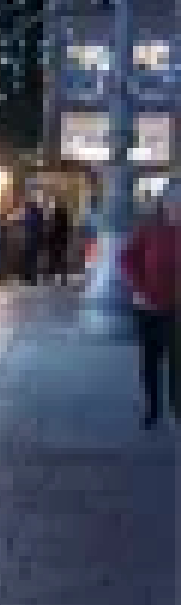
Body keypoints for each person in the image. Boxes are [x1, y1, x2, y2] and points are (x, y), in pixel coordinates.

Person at [120, 178, 180, 428]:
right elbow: (127, 258)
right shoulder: (150, 227)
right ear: (164, 202)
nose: (177, 205)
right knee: (150, 360)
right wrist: (140, 288)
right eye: (173, 199)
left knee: (176, 361)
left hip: (176, 309)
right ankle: (153, 407)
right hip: (148, 307)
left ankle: (176, 408)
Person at [46, 197, 72, 285]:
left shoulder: (54, 215)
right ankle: (62, 277)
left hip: (56, 240)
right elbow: (67, 228)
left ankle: (53, 275)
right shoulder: (64, 215)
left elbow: (52, 228)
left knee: (55, 258)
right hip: (62, 240)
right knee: (61, 258)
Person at [20, 196, 45, 284]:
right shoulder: (38, 213)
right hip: (34, 238)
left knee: (29, 257)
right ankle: (31, 276)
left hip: (30, 238)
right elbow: (41, 226)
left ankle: (28, 275)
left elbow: (24, 225)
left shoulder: (28, 213)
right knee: (33, 258)